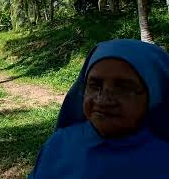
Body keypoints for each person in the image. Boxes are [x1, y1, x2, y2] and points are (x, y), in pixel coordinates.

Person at [29, 39, 169, 179]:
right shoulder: (58, 145)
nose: (103, 100)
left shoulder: (163, 159)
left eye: (123, 87)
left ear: (153, 96)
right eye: (95, 85)